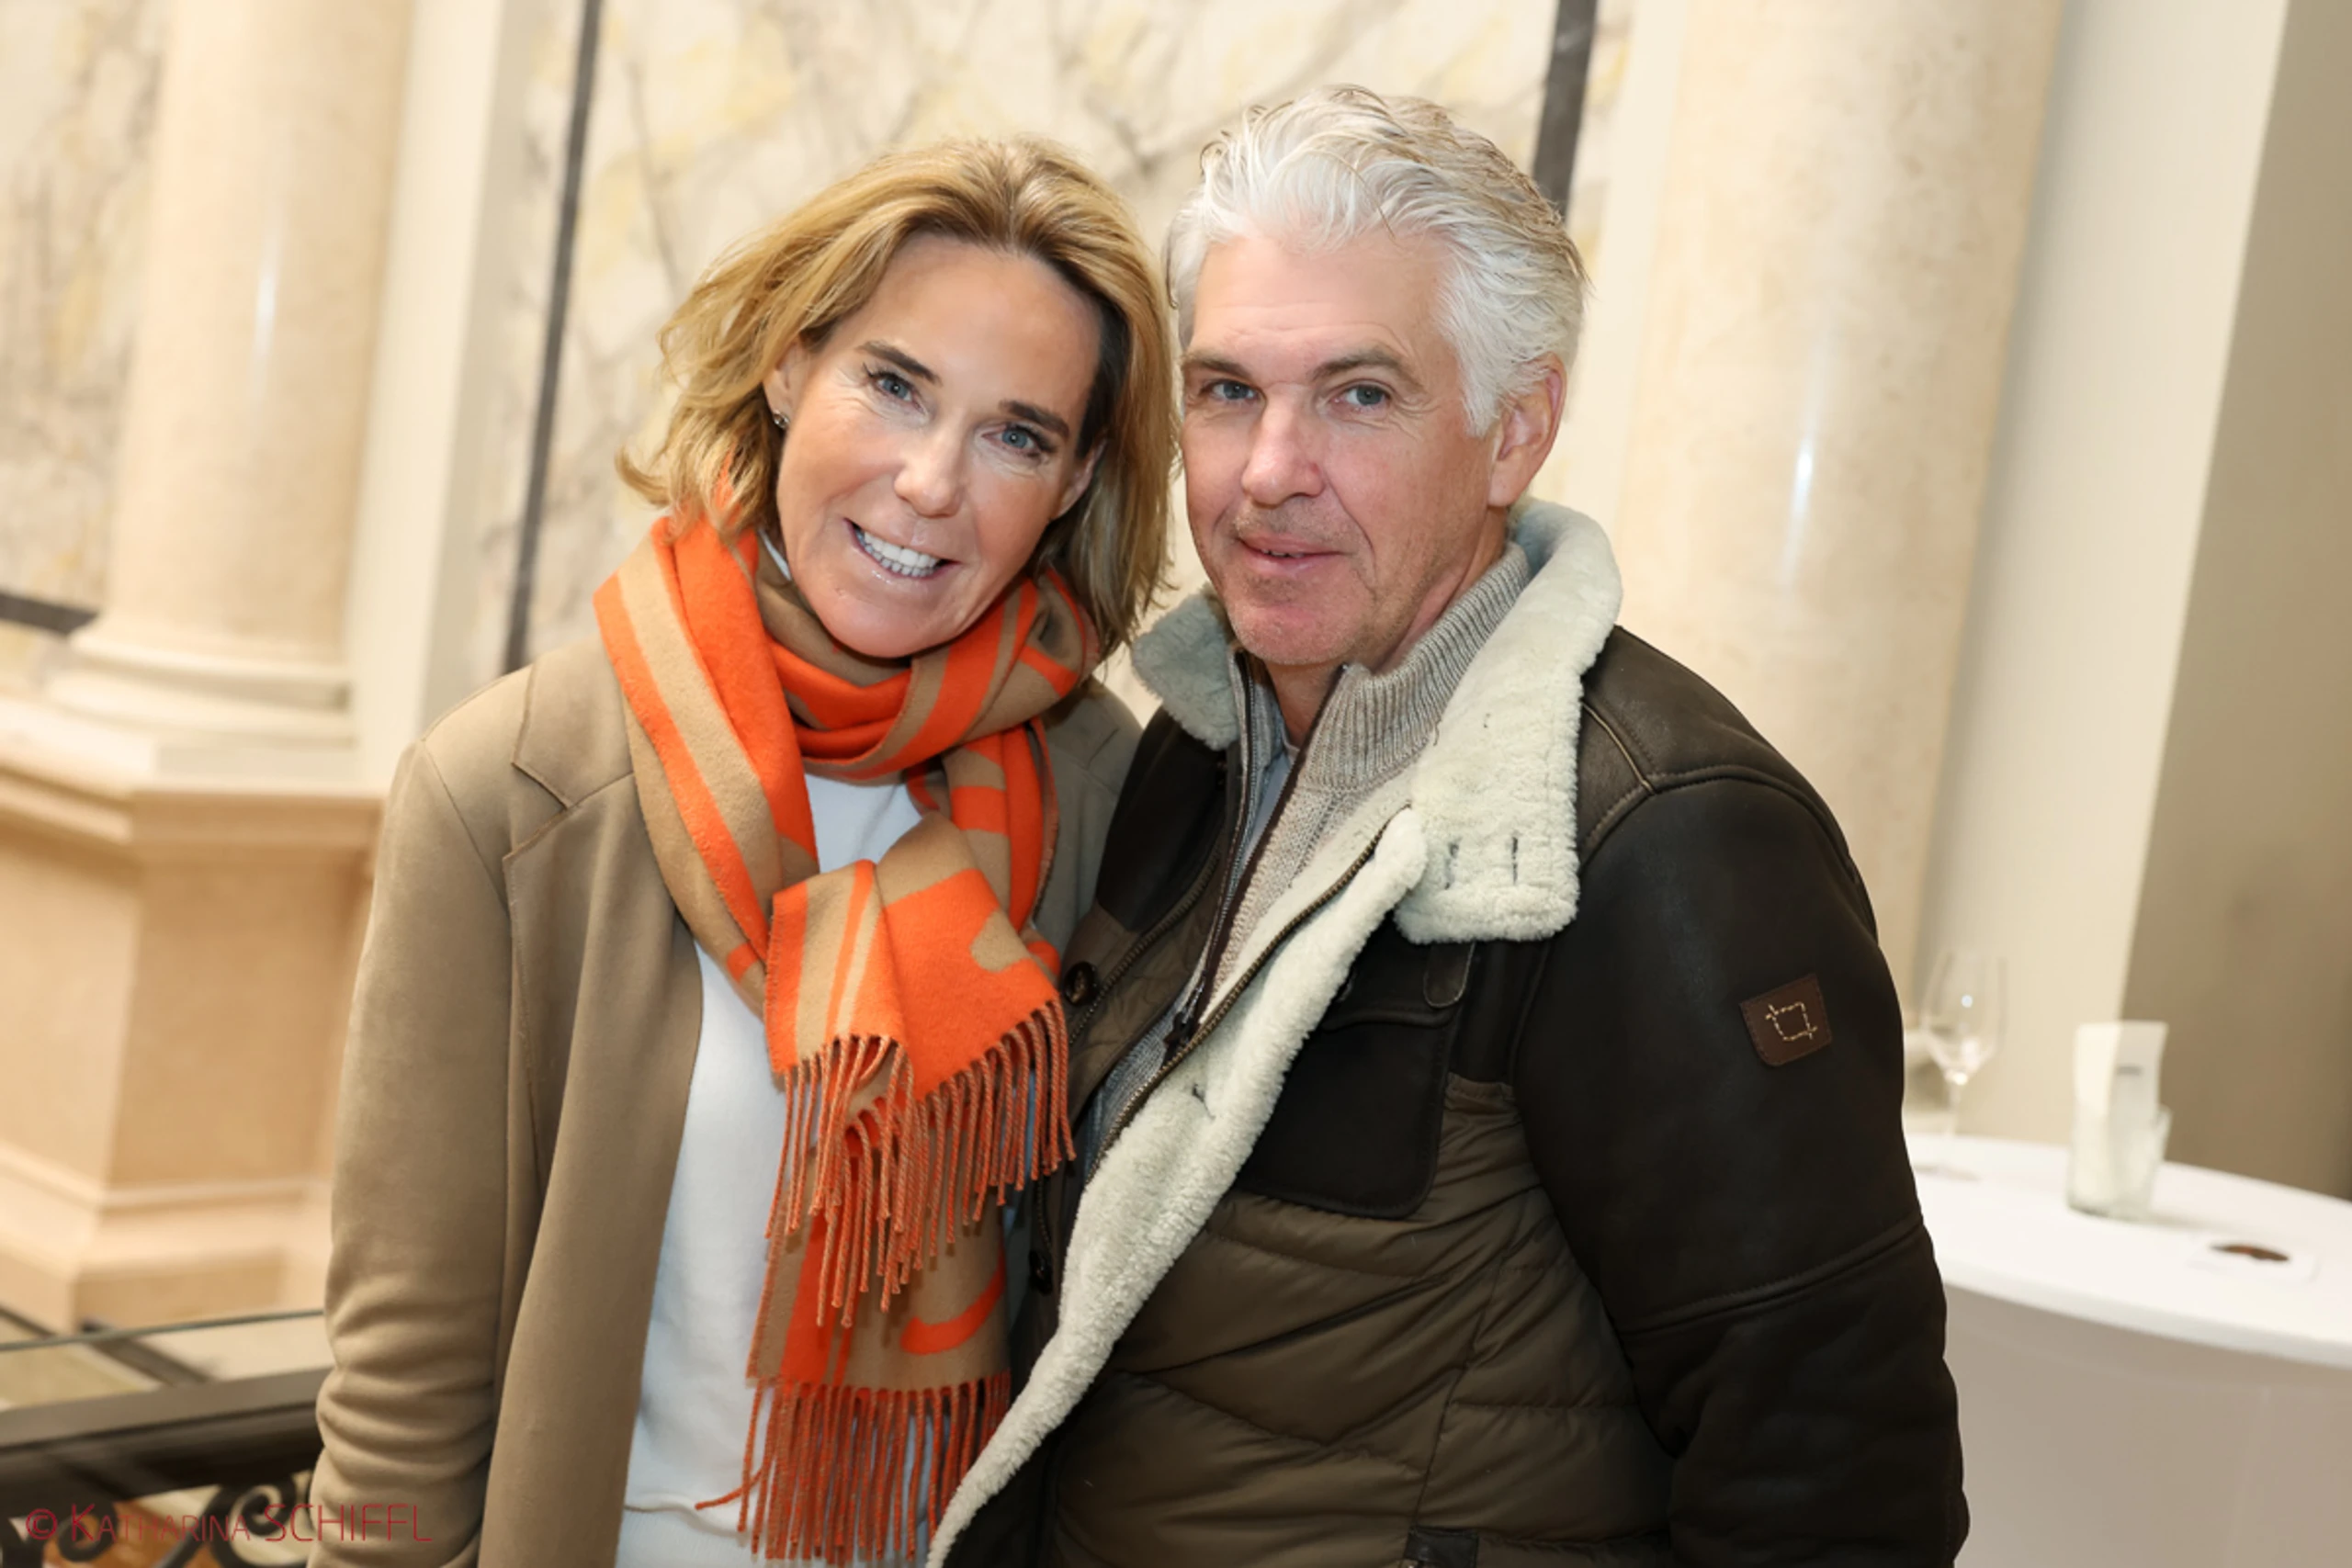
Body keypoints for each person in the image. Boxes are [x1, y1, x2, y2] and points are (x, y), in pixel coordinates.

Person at [933, 87, 1966, 1567]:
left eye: (1359, 394)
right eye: (1227, 391)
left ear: (1514, 432)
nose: (1269, 468)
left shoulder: (1661, 839)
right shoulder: (1198, 748)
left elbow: (1836, 1481)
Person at [312, 138, 1175, 1568]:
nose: (931, 480)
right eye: (894, 385)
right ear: (787, 363)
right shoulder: (514, 794)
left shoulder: (1109, 797)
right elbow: (403, 1373)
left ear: (1076, 479)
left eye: (1016, 435)